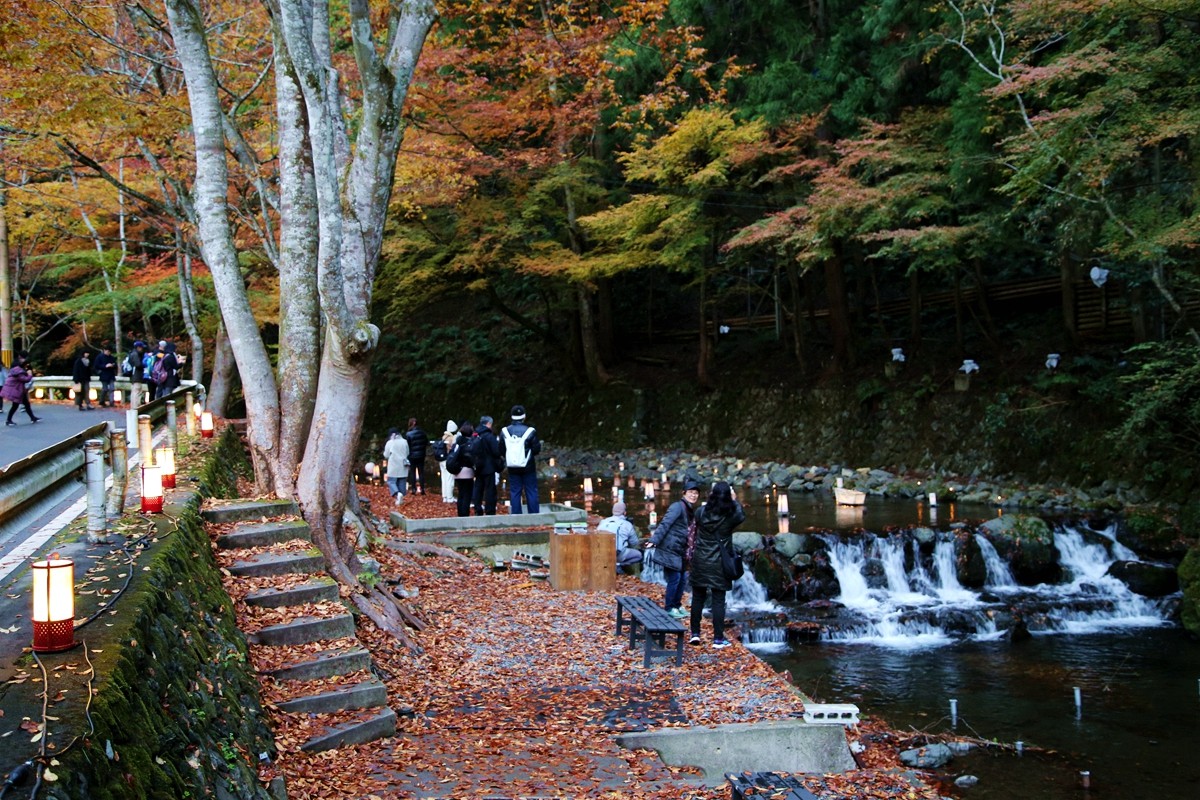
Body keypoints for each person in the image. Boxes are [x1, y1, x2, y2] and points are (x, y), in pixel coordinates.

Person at [688, 481, 746, 649]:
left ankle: (695, 634)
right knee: (718, 601)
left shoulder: (700, 512)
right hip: (720, 562)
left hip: (700, 560)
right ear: (728, 496)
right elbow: (741, 514)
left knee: (698, 598)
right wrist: (734, 500)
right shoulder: (730, 515)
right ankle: (718, 639)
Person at [647, 479, 701, 618]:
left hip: (682, 551)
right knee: (675, 578)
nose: (693, 495)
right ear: (684, 493)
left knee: (682, 578)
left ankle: (677, 605)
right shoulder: (678, 506)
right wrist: (654, 540)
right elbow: (665, 523)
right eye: (691, 492)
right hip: (671, 549)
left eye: (696, 493)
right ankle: (669, 607)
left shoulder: (689, 509)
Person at [501, 404, 541, 513]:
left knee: (515, 492)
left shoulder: (504, 431)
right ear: (524, 416)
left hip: (512, 466)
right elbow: (536, 449)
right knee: (531, 491)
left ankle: (516, 516)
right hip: (528, 466)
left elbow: (501, 449)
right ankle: (533, 515)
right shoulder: (530, 431)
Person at [598, 501, 643, 573]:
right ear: (625, 513)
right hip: (616, 553)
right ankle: (618, 564)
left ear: (613, 512)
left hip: (601, 552)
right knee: (639, 555)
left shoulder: (603, 522)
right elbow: (635, 543)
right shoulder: (627, 524)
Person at [470, 415, 501, 515]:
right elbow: (496, 451)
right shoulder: (489, 436)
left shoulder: (475, 435)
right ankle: (490, 510)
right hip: (489, 467)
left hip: (478, 466)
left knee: (478, 488)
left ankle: (477, 509)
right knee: (490, 490)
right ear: (489, 424)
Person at [2, 353, 41, 426]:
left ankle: (32, 418)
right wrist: (29, 374)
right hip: (15, 390)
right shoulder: (18, 372)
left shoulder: (16, 370)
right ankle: (8, 420)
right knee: (15, 405)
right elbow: (25, 379)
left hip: (18, 389)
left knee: (26, 404)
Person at [448, 421, 475, 517]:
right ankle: (465, 514)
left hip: (457, 471)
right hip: (467, 472)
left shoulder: (457, 443)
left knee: (460, 494)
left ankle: (460, 513)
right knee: (467, 494)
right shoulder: (470, 443)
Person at [382, 428, 410, 503]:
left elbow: (386, 455)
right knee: (402, 481)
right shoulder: (405, 442)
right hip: (403, 464)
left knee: (391, 481)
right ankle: (401, 497)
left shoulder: (390, 442)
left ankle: (397, 494)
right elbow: (407, 453)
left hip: (393, 464)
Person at [404, 418, 430, 495]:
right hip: (421, 455)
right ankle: (422, 489)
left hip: (412, 455)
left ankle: (413, 489)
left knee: (412, 472)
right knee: (421, 472)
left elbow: (407, 446)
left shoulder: (408, 434)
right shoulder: (423, 433)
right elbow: (426, 443)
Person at [438, 419, 458, 503]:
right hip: (448, 460)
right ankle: (450, 497)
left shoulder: (444, 436)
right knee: (450, 478)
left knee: (444, 478)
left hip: (441, 460)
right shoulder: (452, 437)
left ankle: (444, 496)